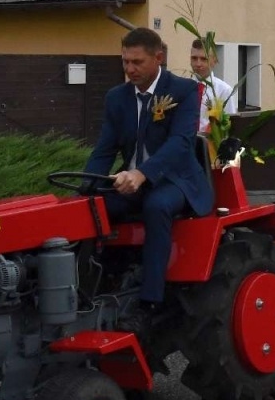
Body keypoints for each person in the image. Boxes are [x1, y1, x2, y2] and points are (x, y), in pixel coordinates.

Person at [82, 28, 213, 335]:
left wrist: (142, 174)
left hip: (176, 180)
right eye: (125, 62)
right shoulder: (117, 98)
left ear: (158, 58)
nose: (130, 69)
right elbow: (104, 150)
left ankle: (149, 304)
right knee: (89, 207)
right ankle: (87, 290)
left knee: (156, 205)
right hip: (131, 181)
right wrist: (84, 188)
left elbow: (180, 143)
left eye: (137, 62)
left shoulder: (183, 91)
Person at [189, 38, 235, 134]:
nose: (198, 64)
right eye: (194, 58)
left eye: (204, 59)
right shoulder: (183, 87)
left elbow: (229, 125)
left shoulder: (224, 90)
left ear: (214, 61)